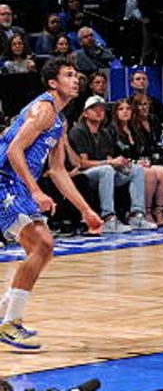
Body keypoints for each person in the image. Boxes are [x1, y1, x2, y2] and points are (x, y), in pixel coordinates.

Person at [0, 57, 103, 349]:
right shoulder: (43, 110)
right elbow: (14, 152)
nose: (76, 79)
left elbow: (58, 170)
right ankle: (9, 324)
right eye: (68, 75)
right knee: (42, 245)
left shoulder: (61, 120)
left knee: (43, 251)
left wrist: (86, 210)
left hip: (17, 184)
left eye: (76, 74)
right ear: (52, 83)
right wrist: (35, 191)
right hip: (4, 180)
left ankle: (6, 315)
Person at [68, 96, 157, 232]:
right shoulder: (79, 131)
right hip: (84, 174)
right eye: (94, 109)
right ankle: (108, 218)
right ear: (85, 113)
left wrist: (121, 164)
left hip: (105, 172)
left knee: (137, 170)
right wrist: (110, 162)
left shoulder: (105, 132)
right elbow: (82, 163)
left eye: (102, 109)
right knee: (107, 170)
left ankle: (136, 215)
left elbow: (109, 157)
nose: (99, 112)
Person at [110, 99, 163, 227]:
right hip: (123, 166)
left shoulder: (136, 128)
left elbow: (145, 149)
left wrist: (145, 160)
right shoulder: (111, 131)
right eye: (121, 109)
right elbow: (113, 155)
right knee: (149, 174)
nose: (125, 112)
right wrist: (135, 162)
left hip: (140, 163)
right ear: (115, 113)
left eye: (127, 109)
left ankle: (159, 211)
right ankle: (146, 212)